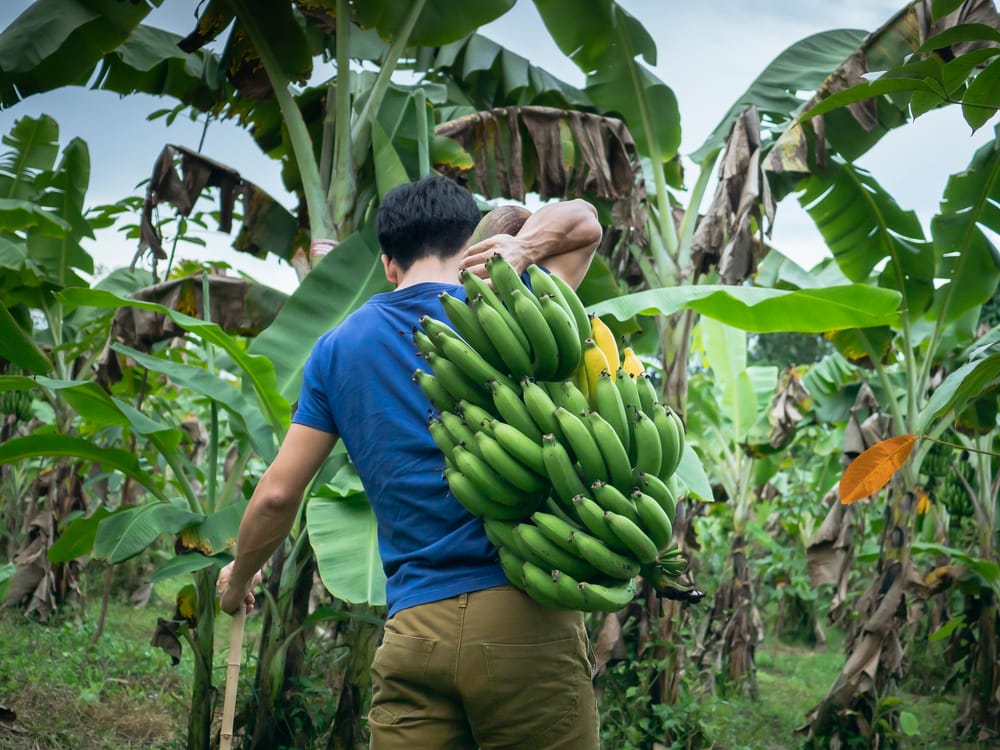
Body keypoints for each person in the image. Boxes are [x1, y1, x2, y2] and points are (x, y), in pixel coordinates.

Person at [217, 175, 603, 749]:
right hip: (524, 614)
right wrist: (523, 250)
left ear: (387, 264)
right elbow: (583, 223)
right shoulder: (513, 308)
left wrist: (237, 579)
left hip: (414, 630)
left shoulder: (338, 348)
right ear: (465, 238)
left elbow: (277, 495)